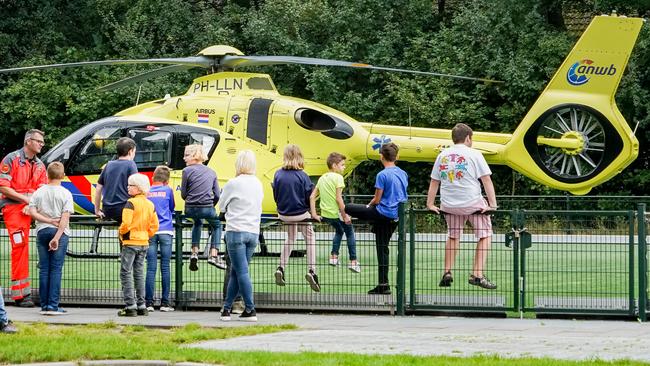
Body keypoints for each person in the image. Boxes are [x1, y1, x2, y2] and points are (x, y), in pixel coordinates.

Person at [426, 123, 498, 290]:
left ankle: (447, 272)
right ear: (468, 138)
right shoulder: (475, 154)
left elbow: (434, 181)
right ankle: (477, 274)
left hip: (449, 204)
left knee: (453, 235)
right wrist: (492, 205)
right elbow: (486, 180)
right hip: (472, 203)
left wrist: (430, 203)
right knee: (485, 235)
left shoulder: (442, 155)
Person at [345, 143, 408, 295]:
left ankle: (344, 218)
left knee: (348, 207)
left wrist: (367, 207)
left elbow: (377, 199)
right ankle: (383, 284)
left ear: (381, 156)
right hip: (396, 216)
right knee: (382, 248)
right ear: (396, 156)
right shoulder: (403, 173)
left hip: (383, 213)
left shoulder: (382, 175)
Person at [0, 129, 48, 307]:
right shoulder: (11, 160)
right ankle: (20, 295)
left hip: (30, 210)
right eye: (39, 141)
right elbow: (3, 187)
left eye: (42, 142)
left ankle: (22, 293)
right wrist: (27, 200)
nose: (42, 144)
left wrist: (32, 204)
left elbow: (42, 190)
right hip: (14, 209)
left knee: (23, 248)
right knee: (20, 247)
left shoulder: (40, 165)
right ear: (28, 141)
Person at [218, 150, 263, 322]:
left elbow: (222, 206)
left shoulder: (233, 183)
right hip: (253, 231)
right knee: (237, 272)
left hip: (236, 230)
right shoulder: (258, 183)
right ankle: (227, 309)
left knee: (241, 271)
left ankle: (250, 308)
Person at [272, 144, 319, 292]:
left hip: (284, 213)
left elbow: (275, 195)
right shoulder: (303, 175)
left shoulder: (278, 174)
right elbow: (309, 197)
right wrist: (312, 213)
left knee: (291, 238)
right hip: (301, 213)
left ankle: (281, 267)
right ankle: (312, 271)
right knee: (310, 237)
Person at [28, 162, 74, 315]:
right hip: (59, 233)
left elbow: (32, 212)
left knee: (44, 269)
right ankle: (53, 305)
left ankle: (44, 305)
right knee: (56, 269)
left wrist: (47, 221)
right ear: (62, 175)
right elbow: (65, 218)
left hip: (42, 230)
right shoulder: (66, 193)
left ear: (47, 174)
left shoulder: (38, 192)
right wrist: (57, 237)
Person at [309, 152, 360, 273]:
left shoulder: (322, 178)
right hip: (337, 213)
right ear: (334, 165)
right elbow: (338, 198)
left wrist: (314, 214)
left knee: (339, 230)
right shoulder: (338, 178)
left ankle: (334, 257)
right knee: (350, 233)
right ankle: (353, 261)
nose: (344, 167)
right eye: (342, 165)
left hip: (326, 215)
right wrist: (345, 215)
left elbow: (312, 197)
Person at [117, 173, 159, 316]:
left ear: (138, 188)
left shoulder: (131, 203)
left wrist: (121, 232)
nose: (128, 187)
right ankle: (142, 305)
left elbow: (126, 224)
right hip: (144, 241)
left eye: (131, 185)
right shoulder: (150, 204)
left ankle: (130, 305)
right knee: (139, 273)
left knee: (125, 273)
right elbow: (154, 226)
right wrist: (146, 234)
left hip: (130, 242)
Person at [181, 144, 225, 271]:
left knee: (197, 222)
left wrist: (190, 201)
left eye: (187, 155)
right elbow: (217, 194)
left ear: (195, 156)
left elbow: (184, 193)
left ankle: (194, 252)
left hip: (190, 208)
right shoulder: (211, 172)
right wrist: (211, 205)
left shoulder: (186, 171)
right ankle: (213, 254)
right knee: (217, 225)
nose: (184, 158)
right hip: (207, 207)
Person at [145, 166, 175, 312]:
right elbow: (172, 207)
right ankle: (165, 302)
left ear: (153, 177)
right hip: (166, 231)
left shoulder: (146, 192)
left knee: (151, 267)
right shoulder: (168, 190)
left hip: (150, 231)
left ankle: (148, 302)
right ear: (167, 180)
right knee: (165, 266)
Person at [93, 137, 138, 225]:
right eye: (134, 152)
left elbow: (98, 188)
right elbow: (136, 185)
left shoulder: (109, 165)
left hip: (108, 210)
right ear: (130, 151)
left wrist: (97, 210)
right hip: (124, 208)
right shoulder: (131, 164)